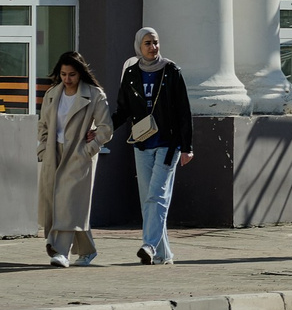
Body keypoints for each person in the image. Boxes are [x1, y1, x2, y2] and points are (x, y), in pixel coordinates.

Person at [113, 27, 194, 265]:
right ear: (139, 46)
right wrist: (102, 129)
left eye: (156, 42)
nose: (153, 47)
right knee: (147, 198)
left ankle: (148, 245)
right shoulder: (130, 73)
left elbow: (183, 111)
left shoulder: (171, 71)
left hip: (168, 144)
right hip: (142, 144)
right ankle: (163, 253)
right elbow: (123, 110)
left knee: (157, 196)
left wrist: (187, 146)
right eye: (147, 43)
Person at [35, 52, 112, 267]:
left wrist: (90, 147)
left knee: (68, 202)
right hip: (53, 153)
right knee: (63, 203)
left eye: (72, 75)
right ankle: (87, 251)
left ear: (80, 74)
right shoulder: (52, 94)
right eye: (63, 74)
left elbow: (106, 128)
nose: (67, 79)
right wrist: (42, 149)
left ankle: (60, 251)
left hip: (78, 154)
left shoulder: (95, 94)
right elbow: (43, 125)